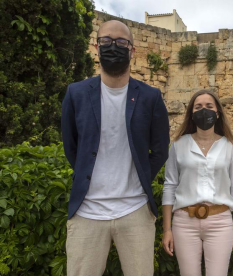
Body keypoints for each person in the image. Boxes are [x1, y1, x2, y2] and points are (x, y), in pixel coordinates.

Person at [61, 20, 170, 276]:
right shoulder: (76, 93)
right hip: (87, 211)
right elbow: (71, 146)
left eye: (121, 42)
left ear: (132, 50)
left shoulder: (151, 96)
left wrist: (139, 177)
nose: (114, 46)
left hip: (135, 211)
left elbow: (160, 149)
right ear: (96, 47)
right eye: (107, 41)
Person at [161, 90, 233, 276]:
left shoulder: (231, 148)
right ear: (191, 113)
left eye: (209, 107)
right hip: (184, 222)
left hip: (220, 222)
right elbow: (170, 186)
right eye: (198, 107)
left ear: (217, 113)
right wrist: (167, 229)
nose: (204, 111)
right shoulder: (178, 145)